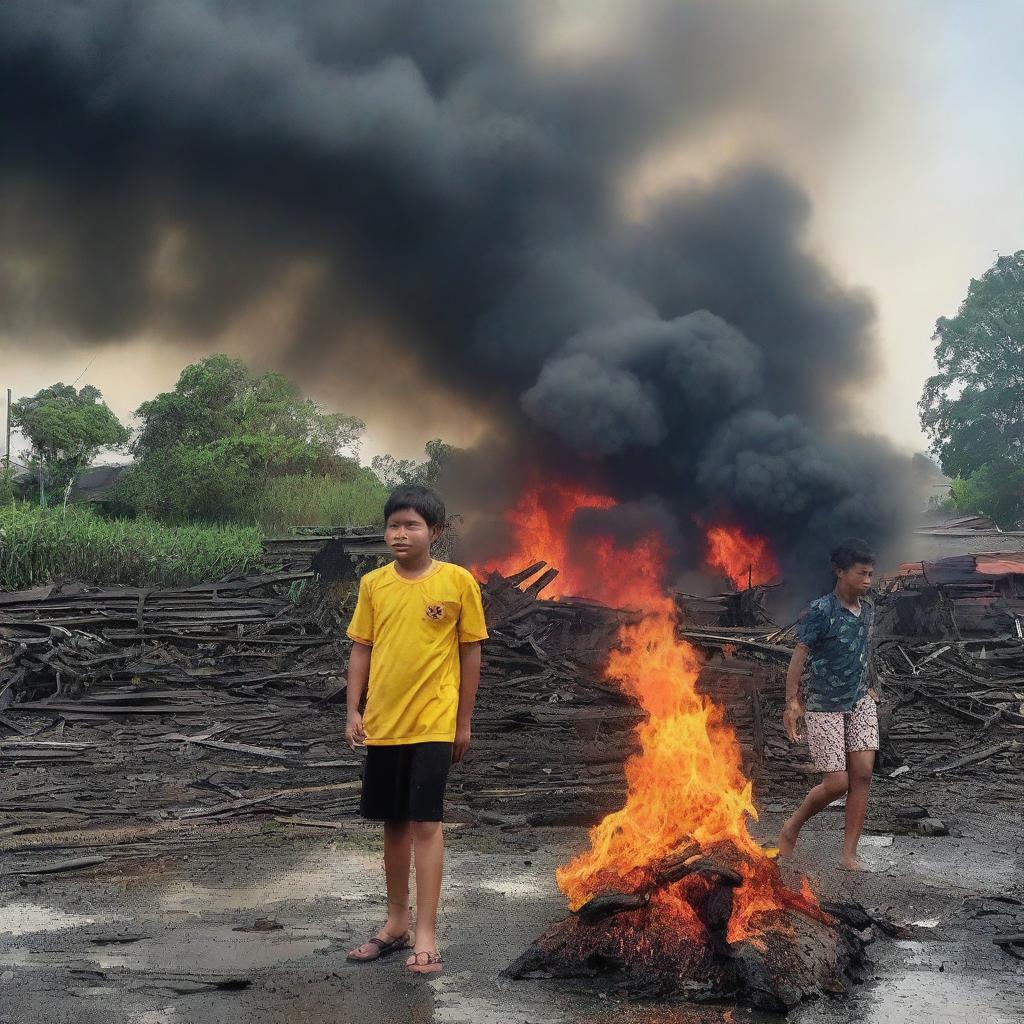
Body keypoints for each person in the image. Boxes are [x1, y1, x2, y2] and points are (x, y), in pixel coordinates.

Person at [344, 484, 487, 975]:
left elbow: (471, 652)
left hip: (434, 721)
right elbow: (361, 648)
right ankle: (395, 924)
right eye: (393, 525)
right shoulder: (373, 585)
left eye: (412, 525)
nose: (400, 534)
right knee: (393, 824)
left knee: (427, 823)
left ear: (436, 532)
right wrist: (353, 710)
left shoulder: (457, 583)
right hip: (384, 723)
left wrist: (463, 720)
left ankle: (426, 933)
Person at [778, 538, 880, 871]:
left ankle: (849, 855)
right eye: (862, 574)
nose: (868, 580)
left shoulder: (869, 608)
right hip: (824, 705)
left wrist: (871, 685)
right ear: (839, 571)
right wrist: (792, 701)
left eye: (870, 574)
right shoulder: (821, 611)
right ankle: (791, 827)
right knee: (837, 783)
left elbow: (865, 649)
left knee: (862, 775)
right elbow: (800, 655)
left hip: (860, 701)